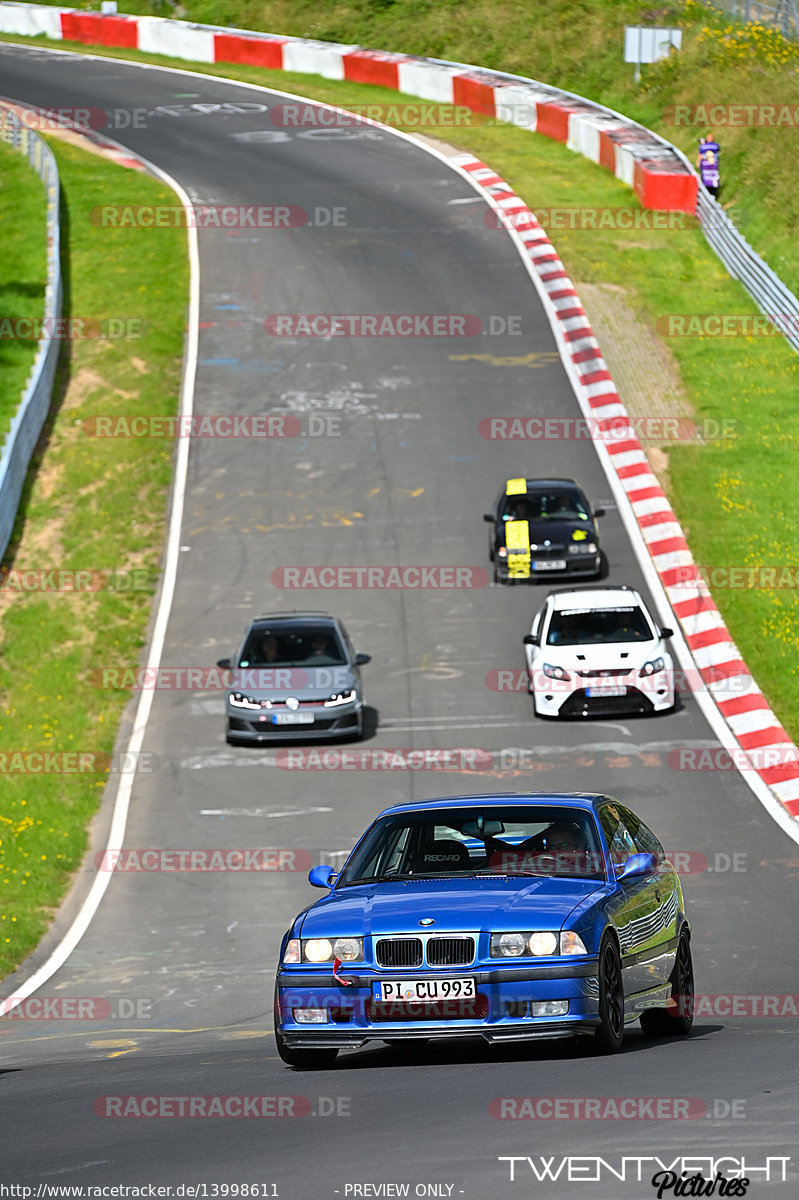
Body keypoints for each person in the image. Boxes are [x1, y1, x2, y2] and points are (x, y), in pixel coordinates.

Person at [696, 135, 720, 200]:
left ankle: (709, 193)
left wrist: (698, 162)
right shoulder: (715, 146)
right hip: (712, 166)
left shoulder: (703, 147)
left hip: (707, 166)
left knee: (707, 179)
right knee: (711, 179)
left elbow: (700, 155)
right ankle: (712, 193)